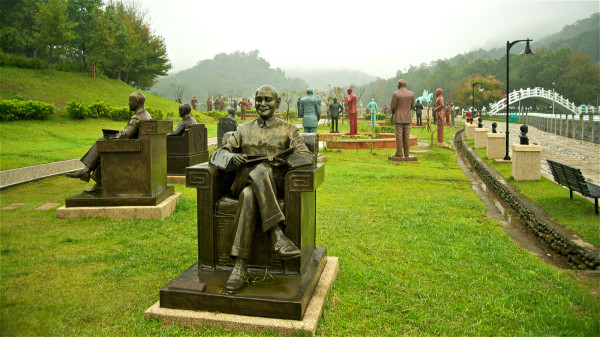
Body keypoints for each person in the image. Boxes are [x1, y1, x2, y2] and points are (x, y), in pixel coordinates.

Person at [210, 85, 313, 294]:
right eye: (259, 99)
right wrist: (231, 157)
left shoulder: (289, 130)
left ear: (277, 103)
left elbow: (306, 156)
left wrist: (283, 161)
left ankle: (240, 266)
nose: (263, 104)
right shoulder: (243, 130)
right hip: (242, 180)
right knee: (257, 173)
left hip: (276, 185)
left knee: (250, 194)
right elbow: (217, 155)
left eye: (268, 100)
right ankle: (278, 235)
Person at [65, 92, 152, 193]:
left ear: (136, 101)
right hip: (139, 148)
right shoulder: (146, 114)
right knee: (104, 144)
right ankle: (93, 178)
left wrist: (111, 136)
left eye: (130, 101)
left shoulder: (137, 117)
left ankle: (87, 171)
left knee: (103, 141)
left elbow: (125, 134)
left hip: (133, 151)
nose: (128, 103)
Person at [390, 80, 415, 158]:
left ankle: (399, 153)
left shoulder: (396, 94)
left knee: (399, 136)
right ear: (405, 85)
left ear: (398, 85)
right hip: (407, 117)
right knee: (406, 136)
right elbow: (412, 106)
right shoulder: (411, 94)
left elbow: (393, 107)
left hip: (398, 117)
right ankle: (407, 154)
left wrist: (392, 114)